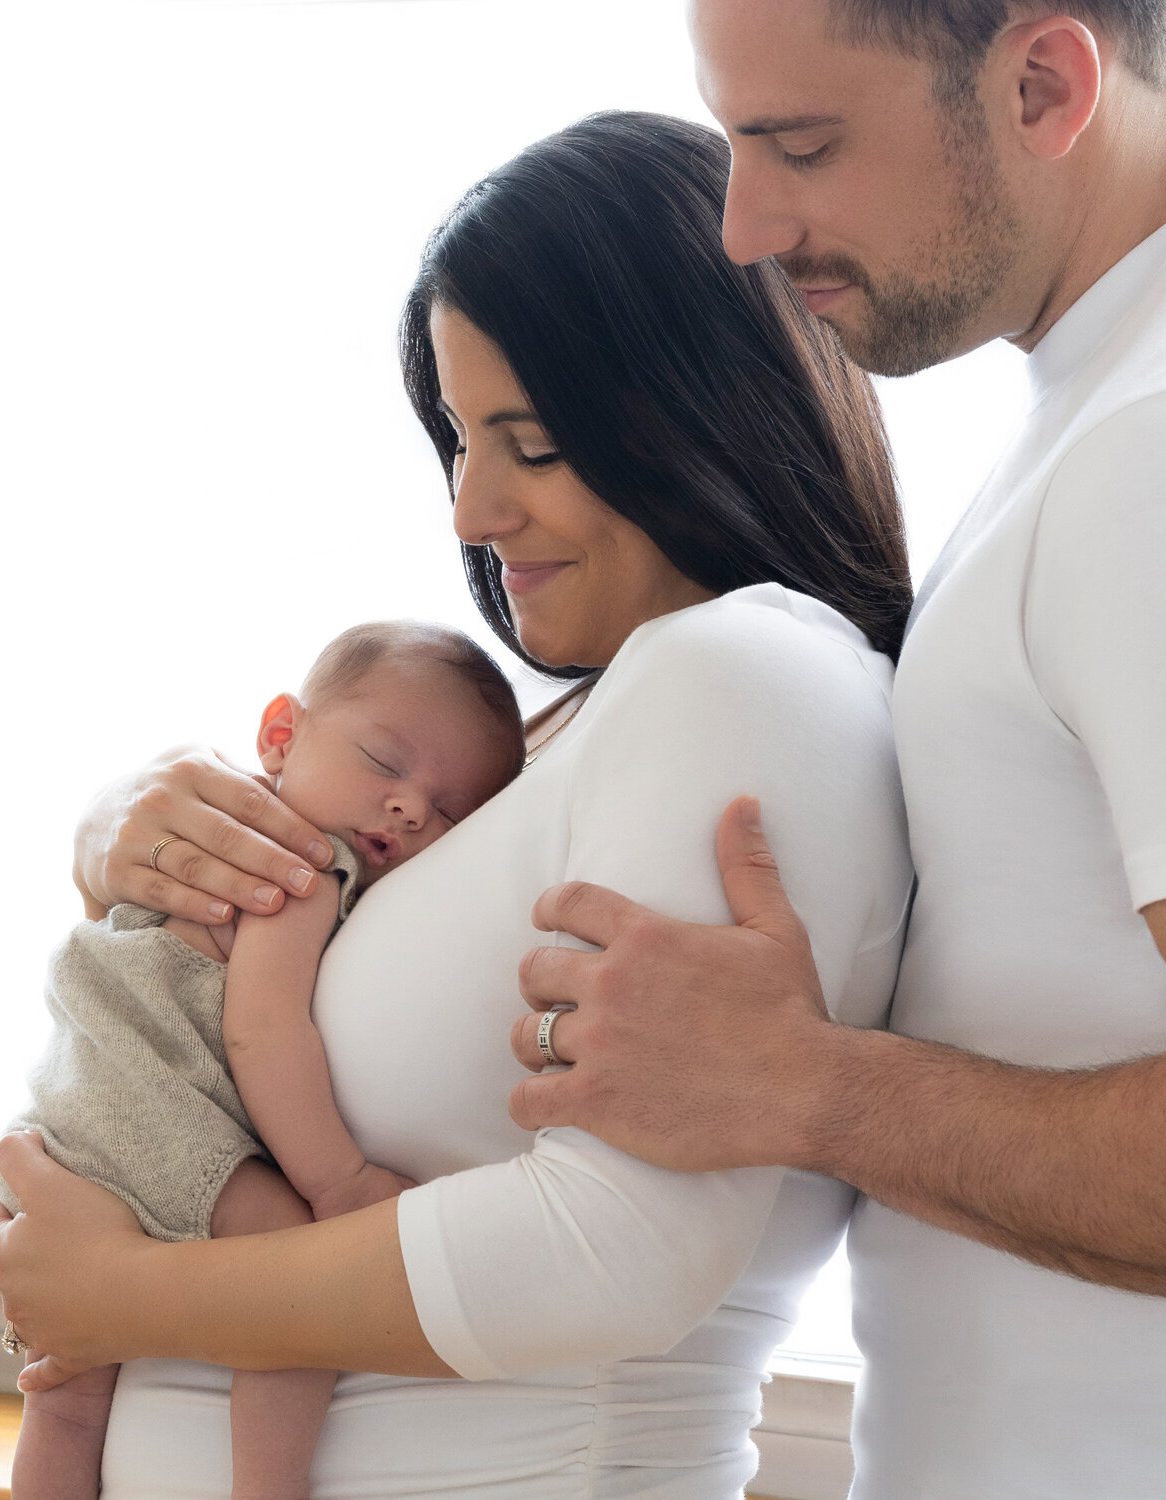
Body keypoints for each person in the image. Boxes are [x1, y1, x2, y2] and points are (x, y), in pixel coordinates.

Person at [0, 112, 913, 1499]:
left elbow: (617, 1251)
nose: (470, 510)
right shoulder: (580, 725)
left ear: (690, 406)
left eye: (527, 443)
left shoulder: (743, 669)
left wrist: (114, 1298)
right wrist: (129, 828)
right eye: (457, 439)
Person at [498, 6, 1166, 1499]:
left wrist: (800, 1086)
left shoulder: (1145, 453)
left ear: (1045, 85)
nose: (745, 225)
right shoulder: (1081, 422)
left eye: (801, 146)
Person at [0, 621, 525, 1500]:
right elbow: (263, 1032)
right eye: (387, 764)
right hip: (144, 1114)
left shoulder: (225, 826)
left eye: (449, 811)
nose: (409, 808)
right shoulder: (302, 869)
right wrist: (341, 1180)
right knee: (290, 1296)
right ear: (282, 736)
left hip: (63, 1126)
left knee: (66, 1402)